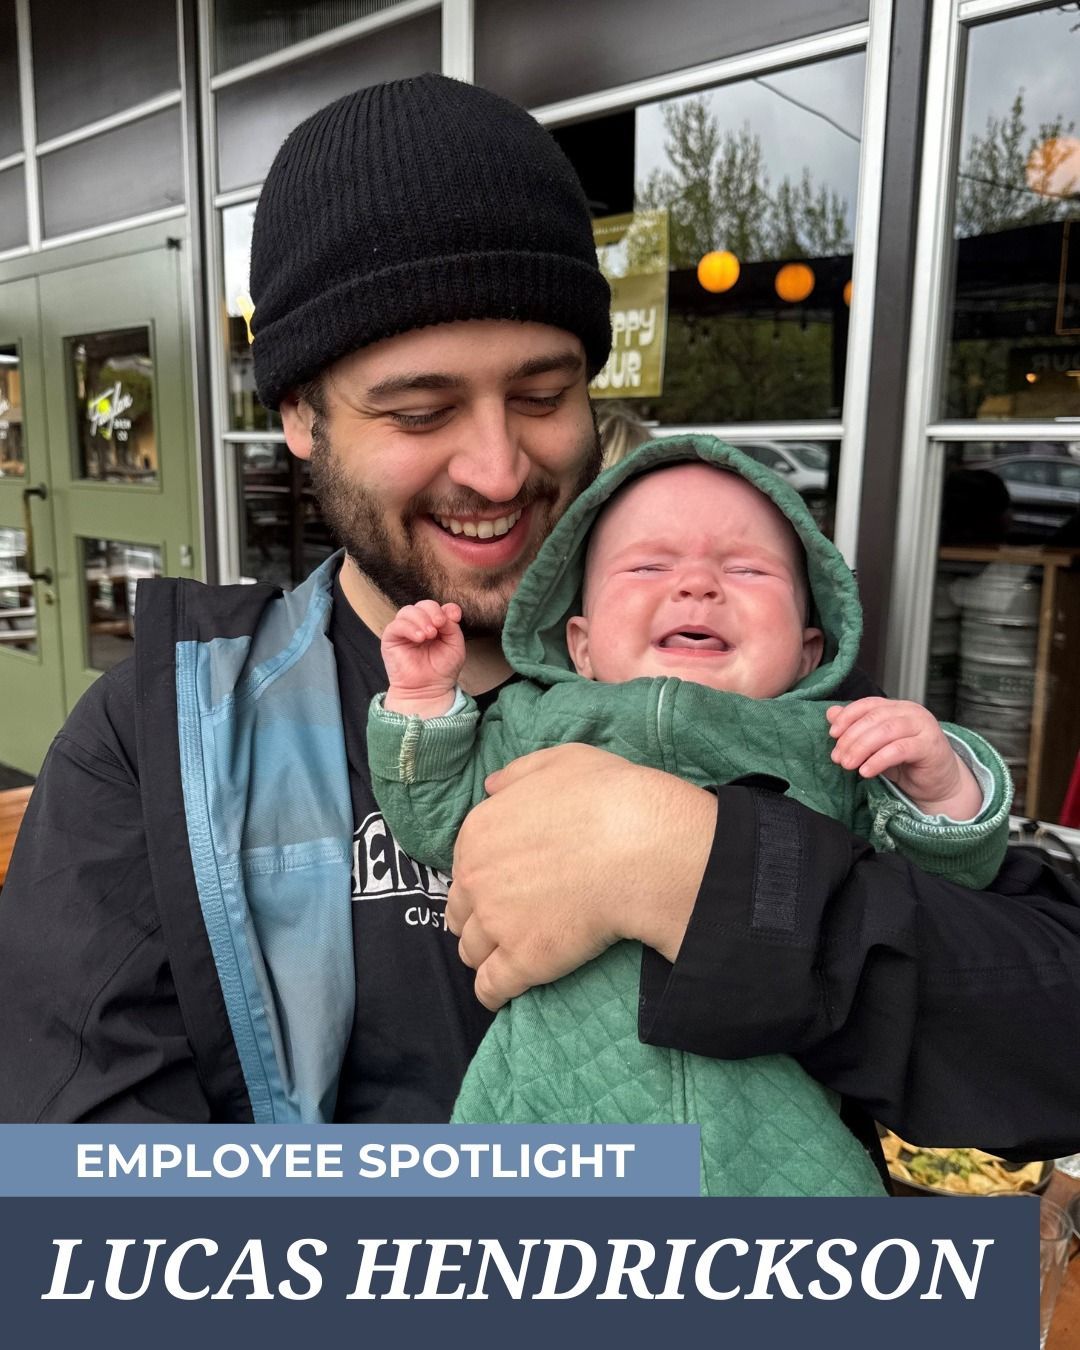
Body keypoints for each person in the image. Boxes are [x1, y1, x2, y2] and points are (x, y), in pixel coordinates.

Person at [0, 76, 1077, 1149]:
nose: (500, 467)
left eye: (542, 394)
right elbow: (93, 1205)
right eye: (420, 410)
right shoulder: (168, 737)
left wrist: (692, 871)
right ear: (297, 414)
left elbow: (1046, 1038)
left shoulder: (745, 687)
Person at [368, 436, 1010, 1194]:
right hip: (549, 1121)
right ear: (579, 644)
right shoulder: (536, 722)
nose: (698, 586)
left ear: (810, 651)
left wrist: (941, 790)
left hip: (781, 1153)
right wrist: (421, 705)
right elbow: (438, 823)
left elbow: (935, 897)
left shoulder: (837, 741)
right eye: (648, 566)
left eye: (746, 569)